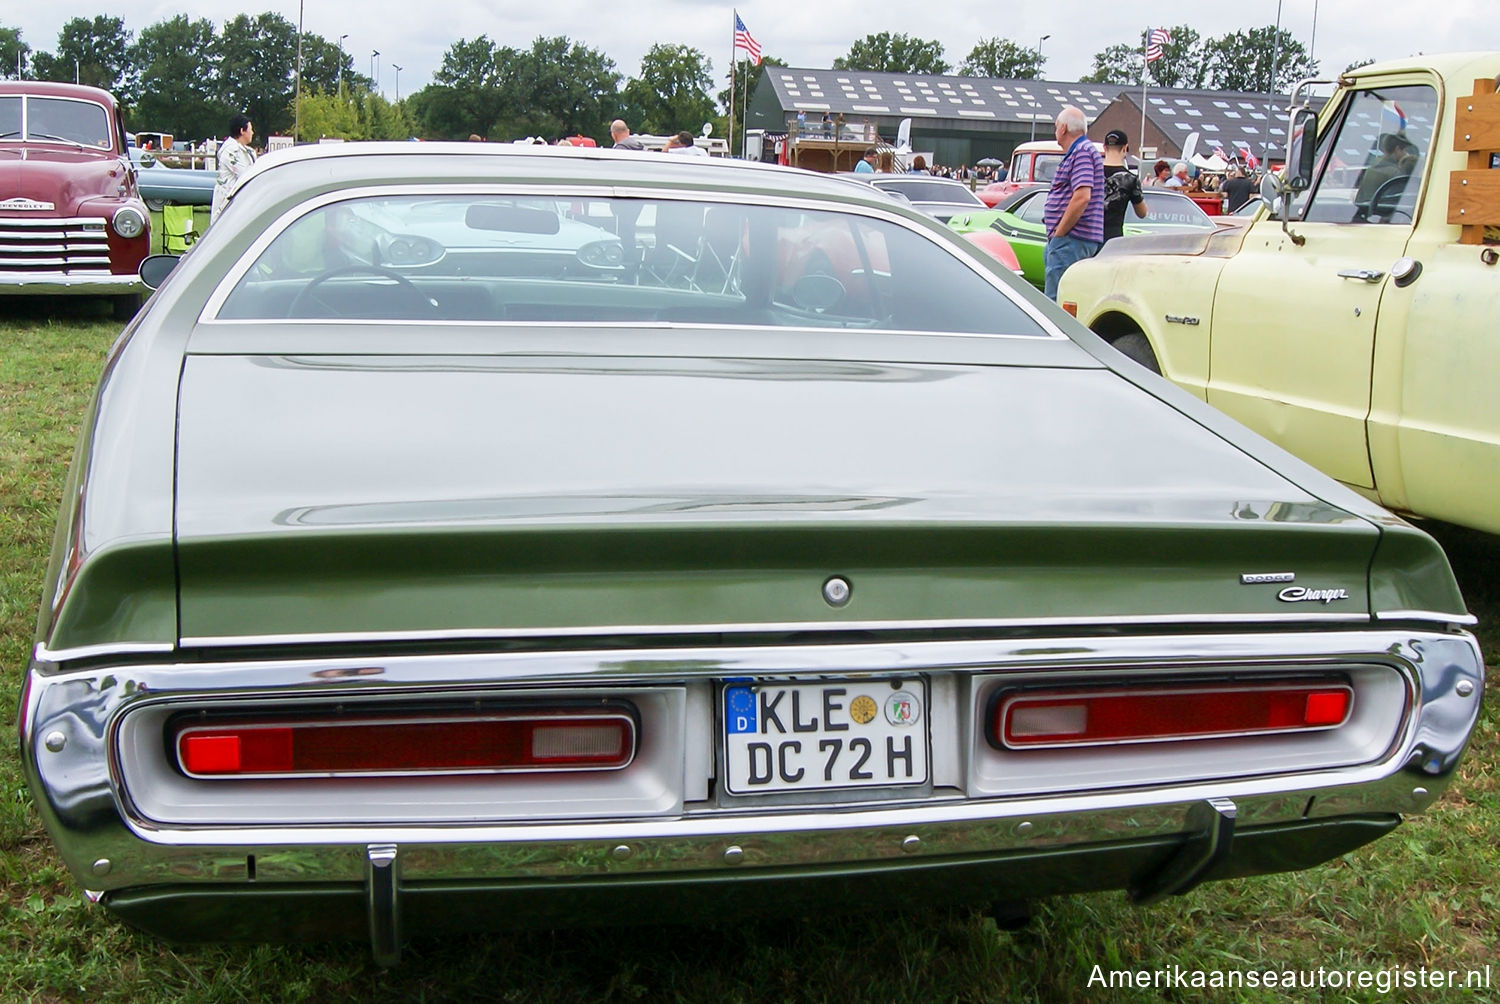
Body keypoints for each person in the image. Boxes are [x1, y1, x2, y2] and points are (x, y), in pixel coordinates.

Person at [1042, 106, 1104, 301]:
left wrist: (1059, 233)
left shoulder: (1082, 152)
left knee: (1058, 301)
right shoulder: (1082, 151)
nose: (1055, 131)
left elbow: (1082, 196)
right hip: (1071, 240)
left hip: (1071, 240)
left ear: (1063, 129)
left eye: (1056, 127)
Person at [1100, 129, 1147, 243]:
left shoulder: (1090, 173)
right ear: (1125, 148)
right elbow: (1142, 213)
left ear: (1104, 147)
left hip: (1088, 235)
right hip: (1113, 236)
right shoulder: (1130, 179)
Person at [211, 113, 255, 223]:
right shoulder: (230, 151)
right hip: (228, 201)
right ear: (242, 131)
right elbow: (245, 175)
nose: (252, 132)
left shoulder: (247, 151)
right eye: (250, 129)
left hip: (240, 201)